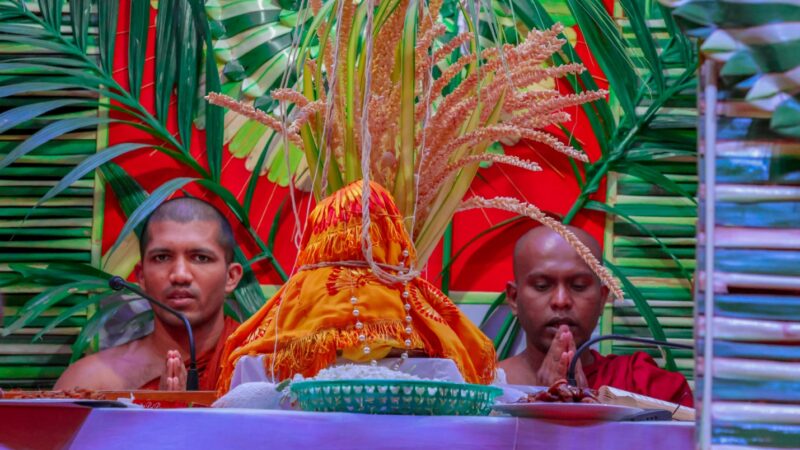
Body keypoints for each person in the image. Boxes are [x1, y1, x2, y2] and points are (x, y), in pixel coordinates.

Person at [55, 197, 243, 391]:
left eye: (201, 258)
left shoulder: (265, 367)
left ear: (231, 277)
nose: (180, 275)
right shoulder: (90, 383)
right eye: (162, 257)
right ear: (141, 277)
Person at [498, 226, 693, 406]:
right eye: (542, 286)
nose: (561, 300)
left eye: (579, 286)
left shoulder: (648, 387)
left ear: (602, 299)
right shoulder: (482, 388)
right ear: (514, 299)